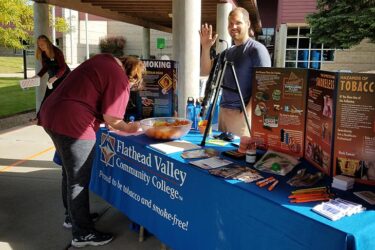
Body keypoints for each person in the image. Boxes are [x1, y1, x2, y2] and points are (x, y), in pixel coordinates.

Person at [38, 54, 145, 248]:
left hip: (51, 113)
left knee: (69, 173)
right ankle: (82, 233)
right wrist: (131, 127)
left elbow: (99, 102)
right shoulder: (120, 78)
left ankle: (73, 218)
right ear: (133, 77)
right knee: (78, 180)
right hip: (73, 122)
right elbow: (112, 118)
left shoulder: (103, 61)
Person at [200, 7, 271, 136]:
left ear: (248, 24)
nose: (233, 26)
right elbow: (205, 71)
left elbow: (265, 87)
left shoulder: (257, 50)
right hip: (223, 113)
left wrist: (247, 113)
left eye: (238, 22)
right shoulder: (227, 52)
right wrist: (205, 48)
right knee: (220, 154)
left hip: (242, 114)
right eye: (230, 23)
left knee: (240, 154)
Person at [35, 35, 71, 105]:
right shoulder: (43, 54)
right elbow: (45, 67)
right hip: (52, 78)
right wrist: (38, 76)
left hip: (64, 77)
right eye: (39, 45)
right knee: (47, 99)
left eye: (42, 44)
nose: (40, 46)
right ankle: (40, 116)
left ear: (47, 43)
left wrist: (55, 77)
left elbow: (63, 67)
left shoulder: (57, 51)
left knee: (62, 99)